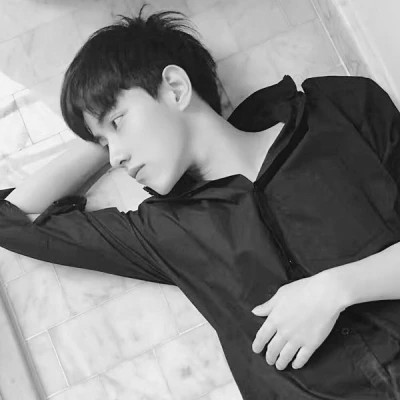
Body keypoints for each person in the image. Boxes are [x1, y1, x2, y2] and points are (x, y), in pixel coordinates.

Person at [1, 5, 400, 399]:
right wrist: (99, 128)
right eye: (103, 143)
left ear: (175, 88)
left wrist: (335, 289)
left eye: (117, 121)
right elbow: (12, 219)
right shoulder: (164, 231)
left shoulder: (339, 111)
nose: (115, 157)